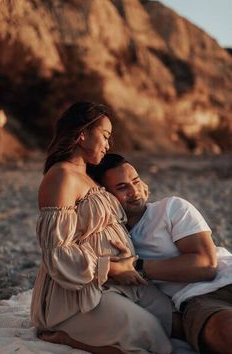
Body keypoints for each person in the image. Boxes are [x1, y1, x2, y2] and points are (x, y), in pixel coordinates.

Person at [31, 102, 174, 354]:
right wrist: (113, 268)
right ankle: (66, 336)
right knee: (148, 333)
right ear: (82, 133)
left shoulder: (88, 173)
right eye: (105, 136)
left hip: (113, 279)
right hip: (76, 291)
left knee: (170, 316)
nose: (108, 145)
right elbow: (56, 253)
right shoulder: (61, 176)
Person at [88, 153, 232, 354]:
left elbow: (206, 266)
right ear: (104, 197)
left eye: (136, 181)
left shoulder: (172, 208)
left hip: (228, 275)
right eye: (122, 187)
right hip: (198, 299)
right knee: (226, 332)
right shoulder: (111, 239)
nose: (134, 191)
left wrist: (135, 266)